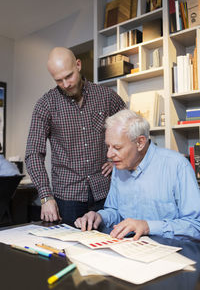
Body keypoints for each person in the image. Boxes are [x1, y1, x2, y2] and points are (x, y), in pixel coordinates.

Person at [25, 47, 126, 225]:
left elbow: (130, 129)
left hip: (106, 191)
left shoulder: (106, 97)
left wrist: (117, 160)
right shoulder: (45, 105)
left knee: (109, 247)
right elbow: (33, 153)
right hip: (67, 197)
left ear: (78, 65)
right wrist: (45, 197)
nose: (66, 84)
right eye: (59, 80)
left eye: (69, 76)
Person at [74, 109, 200, 240]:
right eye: (108, 147)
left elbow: (196, 225)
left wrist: (147, 226)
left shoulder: (177, 166)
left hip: (172, 250)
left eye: (117, 148)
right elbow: (116, 211)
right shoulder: (120, 166)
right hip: (130, 247)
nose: (109, 155)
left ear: (140, 142)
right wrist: (99, 217)